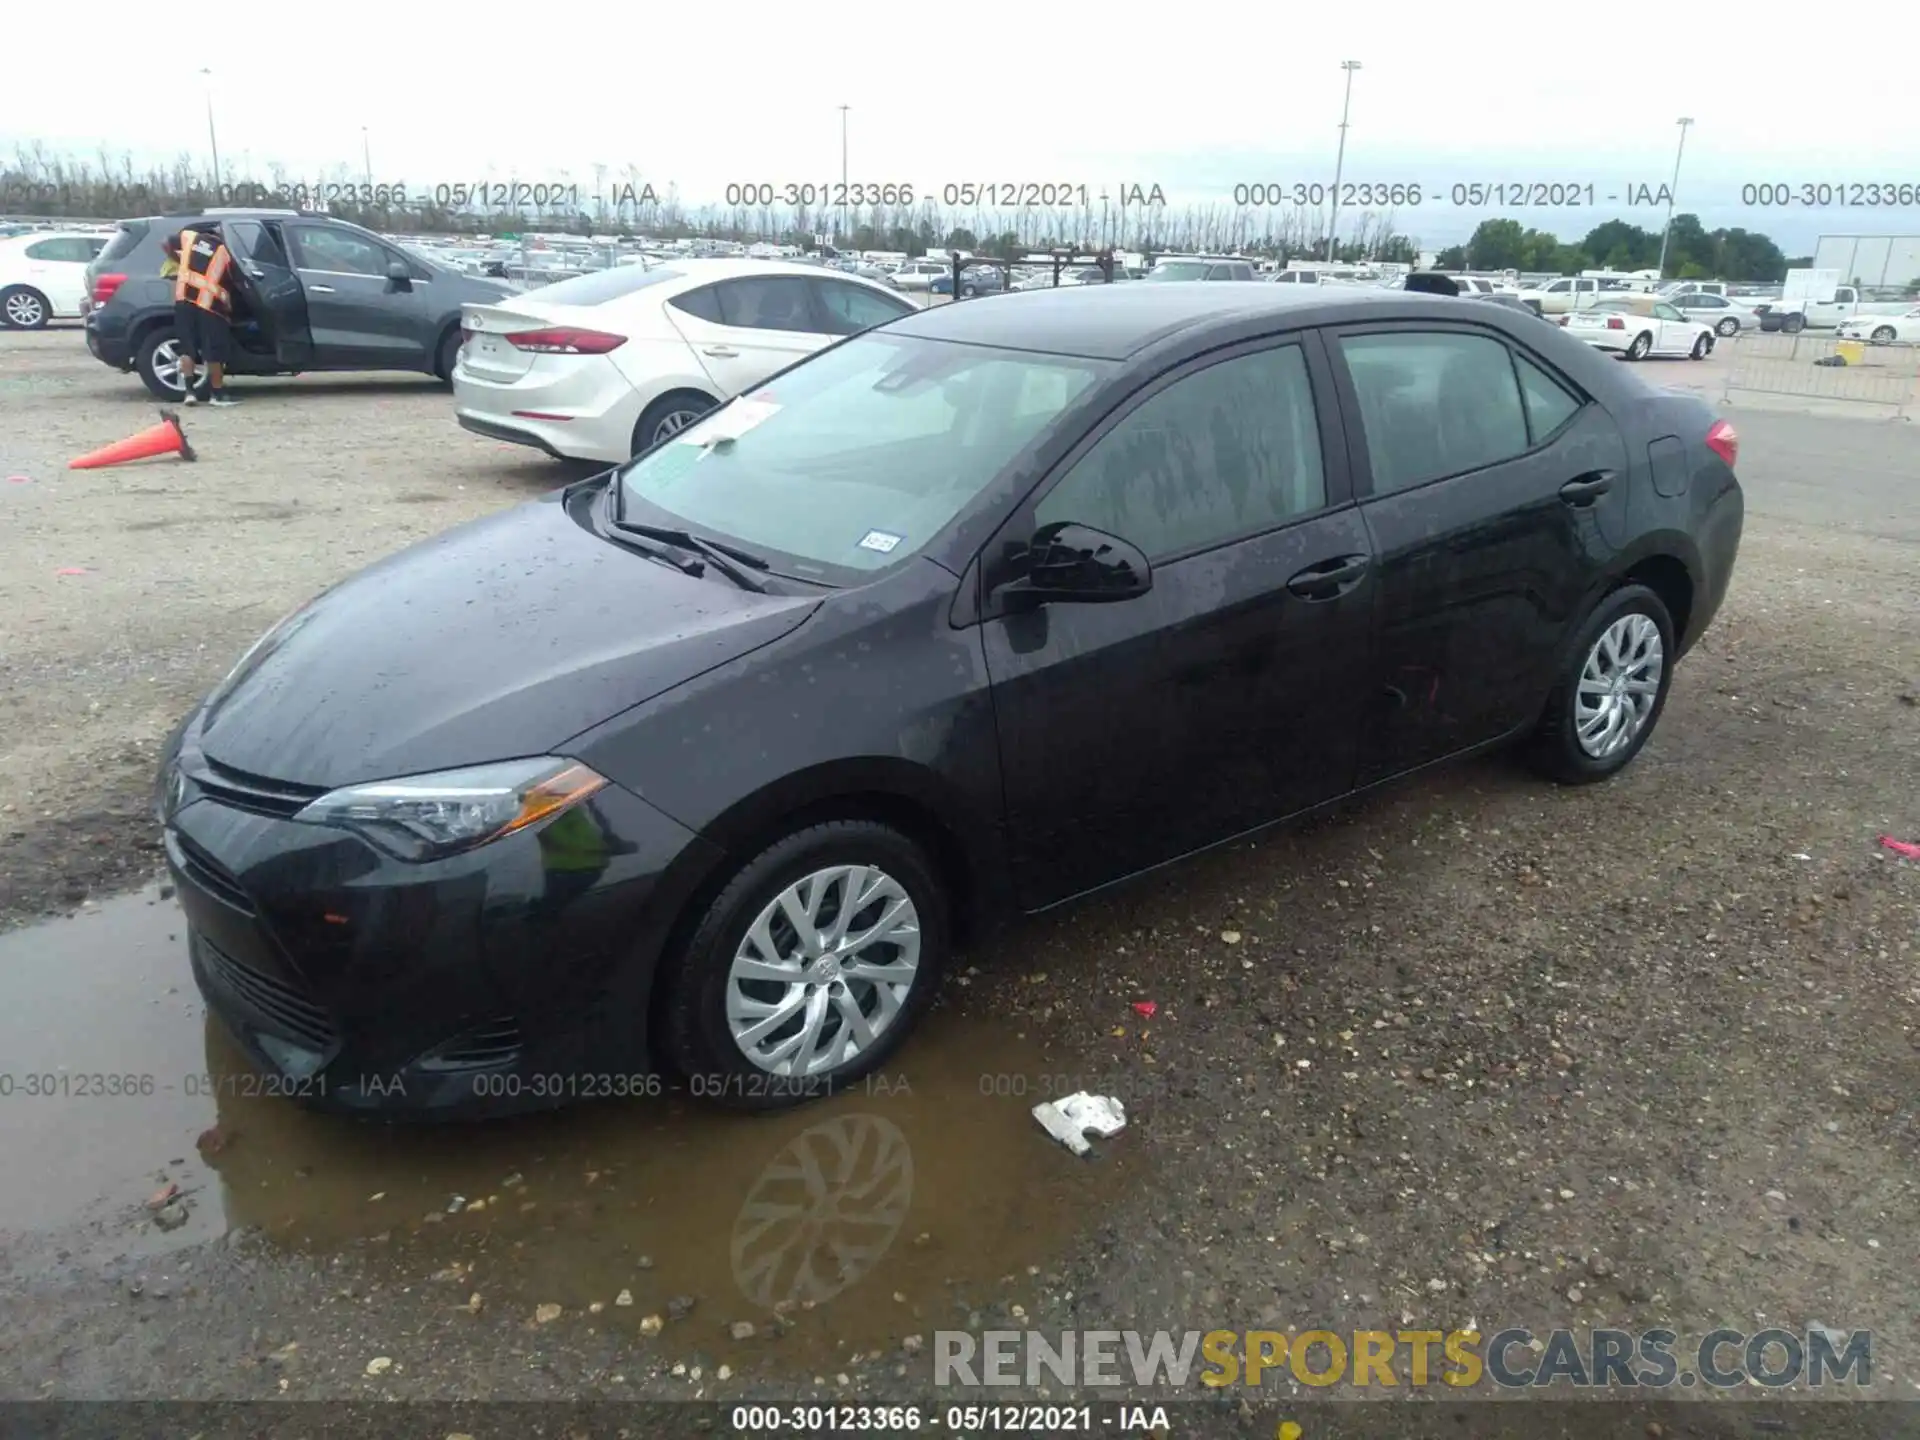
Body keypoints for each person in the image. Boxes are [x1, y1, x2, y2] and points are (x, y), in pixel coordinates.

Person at [163, 223, 241, 406]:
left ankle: (189, 393)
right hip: (209, 306)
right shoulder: (225, 252)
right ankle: (217, 395)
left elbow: (165, 242)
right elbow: (235, 280)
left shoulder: (189, 238)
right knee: (213, 351)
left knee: (186, 347)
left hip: (184, 301)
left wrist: (178, 259)